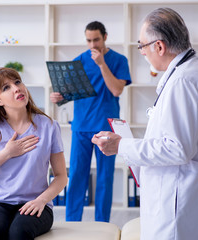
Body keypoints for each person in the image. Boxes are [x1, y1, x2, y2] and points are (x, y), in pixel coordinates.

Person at [92, 8, 198, 240]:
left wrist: (121, 146)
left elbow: (177, 148)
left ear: (159, 46)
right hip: (193, 198)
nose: (142, 53)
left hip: (180, 205)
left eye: (142, 45)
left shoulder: (183, 81)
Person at [0, 67, 68, 240]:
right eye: (6, 88)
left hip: (36, 203)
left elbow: (61, 176)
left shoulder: (49, 126)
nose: (16, 88)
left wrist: (42, 200)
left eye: (17, 82)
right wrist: (6, 153)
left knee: (19, 232)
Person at [50, 21, 131, 222]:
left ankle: (102, 224)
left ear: (105, 37)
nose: (92, 44)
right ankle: (72, 223)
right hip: (81, 127)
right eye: (88, 40)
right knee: (77, 176)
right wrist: (59, 97)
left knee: (105, 178)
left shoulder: (119, 60)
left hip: (106, 129)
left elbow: (116, 90)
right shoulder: (78, 61)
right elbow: (69, 93)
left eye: (96, 39)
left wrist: (102, 63)